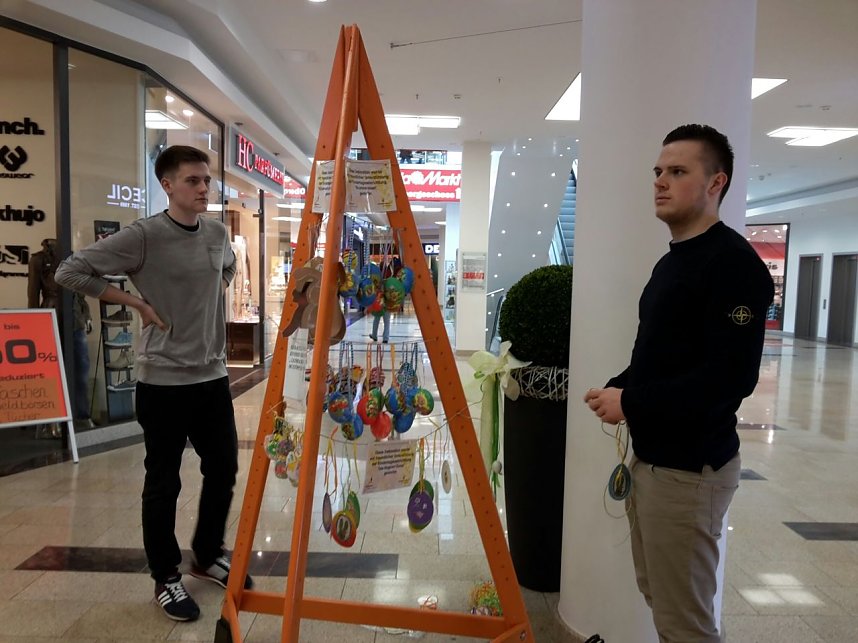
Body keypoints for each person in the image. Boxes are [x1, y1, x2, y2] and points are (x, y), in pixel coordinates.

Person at [584, 124, 774, 642]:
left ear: (716, 183)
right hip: (653, 461)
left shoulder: (733, 265)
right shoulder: (675, 259)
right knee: (661, 597)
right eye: (658, 172)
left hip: (691, 472)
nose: (661, 182)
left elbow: (730, 377)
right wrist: (619, 387)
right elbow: (664, 355)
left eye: (678, 172)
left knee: (684, 622)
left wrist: (633, 402)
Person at [55, 145, 252, 623]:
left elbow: (226, 267)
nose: (204, 188)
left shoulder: (217, 231)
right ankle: (165, 576)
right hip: (162, 381)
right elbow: (70, 271)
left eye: (207, 180)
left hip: (212, 376)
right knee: (163, 481)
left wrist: (208, 297)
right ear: (167, 185)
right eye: (193, 181)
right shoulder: (145, 236)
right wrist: (138, 304)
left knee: (223, 468)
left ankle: (206, 553)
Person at [71, 292, 94, 427]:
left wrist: (87, 316)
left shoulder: (72, 270)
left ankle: (82, 415)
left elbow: (80, 296)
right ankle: (54, 420)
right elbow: (33, 295)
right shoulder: (41, 269)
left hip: (77, 322)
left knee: (82, 370)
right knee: (55, 372)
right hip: (53, 318)